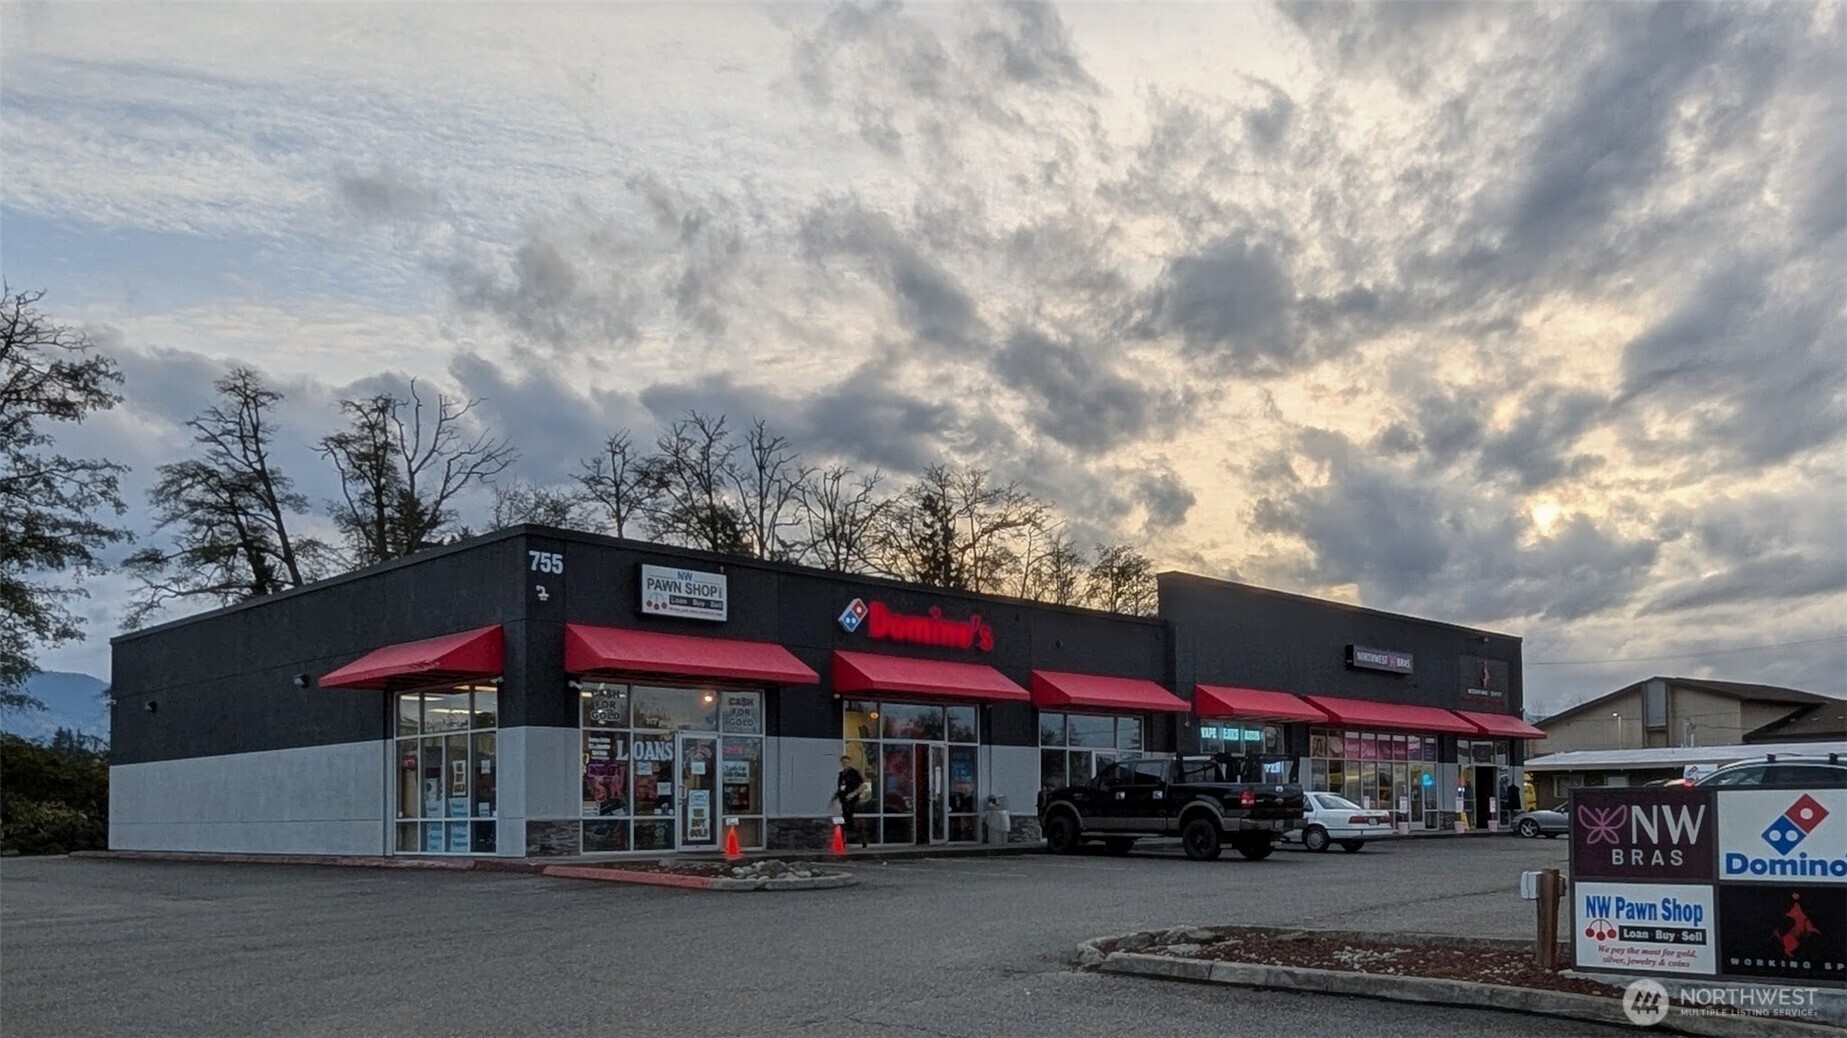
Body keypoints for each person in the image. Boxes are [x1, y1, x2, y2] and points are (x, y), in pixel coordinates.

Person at [832, 754, 868, 848]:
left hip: (854, 801)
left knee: (856, 822)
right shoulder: (841, 774)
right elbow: (841, 788)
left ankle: (863, 841)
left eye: (846, 762)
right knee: (846, 821)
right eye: (843, 762)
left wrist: (853, 794)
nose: (845, 764)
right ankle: (844, 842)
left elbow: (863, 785)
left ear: (850, 762)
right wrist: (835, 796)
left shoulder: (854, 773)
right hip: (844, 801)